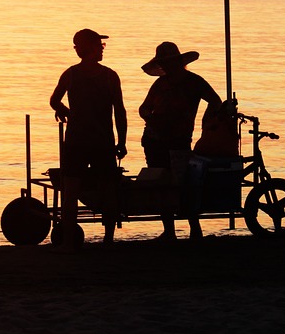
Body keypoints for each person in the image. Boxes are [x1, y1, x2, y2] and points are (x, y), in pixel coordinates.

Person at [49, 28, 128, 246]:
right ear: (91, 48)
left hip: (76, 141)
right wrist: (121, 141)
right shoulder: (109, 76)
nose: (103, 49)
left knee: (71, 191)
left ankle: (67, 241)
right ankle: (108, 239)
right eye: (100, 46)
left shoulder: (71, 74)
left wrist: (65, 112)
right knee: (107, 190)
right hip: (101, 141)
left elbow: (54, 100)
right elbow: (119, 111)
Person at [138, 41, 222, 240]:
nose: (166, 66)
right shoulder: (160, 84)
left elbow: (216, 101)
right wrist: (150, 119)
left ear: (177, 61)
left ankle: (195, 229)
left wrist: (206, 122)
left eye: (169, 62)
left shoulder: (194, 81)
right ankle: (169, 231)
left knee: (184, 183)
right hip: (155, 139)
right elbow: (144, 108)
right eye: (163, 63)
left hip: (179, 140)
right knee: (161, 183)